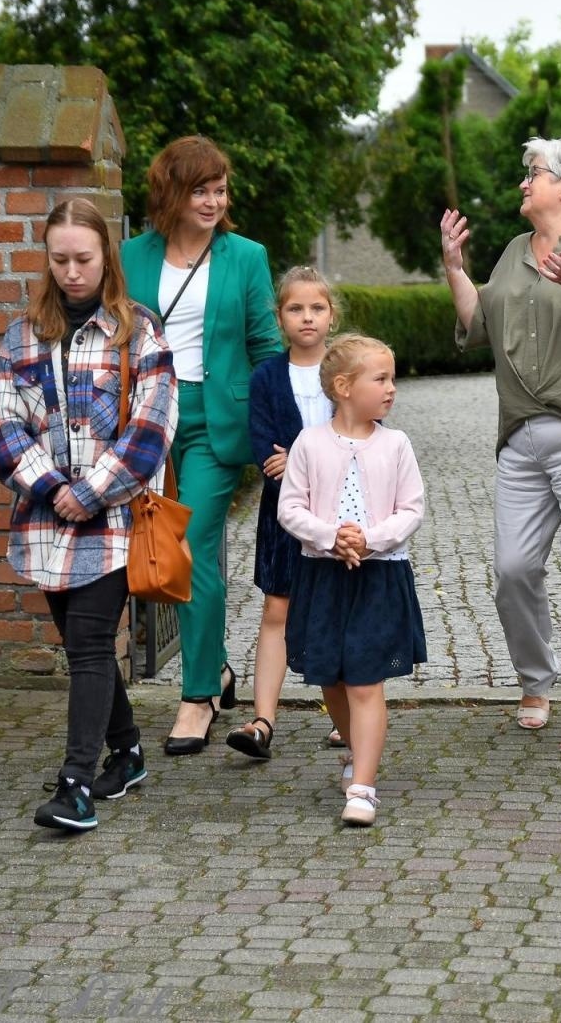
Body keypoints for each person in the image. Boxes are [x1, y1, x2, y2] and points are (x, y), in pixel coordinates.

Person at [440, 136, 561, 756]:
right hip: (518, 438)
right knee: (512, 571)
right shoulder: (512, 251)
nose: (524, 182)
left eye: (535, 173)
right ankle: (536, 679)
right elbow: (478, 326)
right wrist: (455, 268)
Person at [0, 198, 178, 831]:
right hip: (44, 522)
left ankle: (76, 787)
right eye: (60, 259)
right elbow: (3, 421)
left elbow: (152, 428)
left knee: (91, 645)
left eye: (84, 259)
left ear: (106, 257)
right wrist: (49, 487)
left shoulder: (138, 331)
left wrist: (90, 492)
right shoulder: (22, 335)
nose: (71, 272)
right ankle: (127, 754)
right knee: (79, 644)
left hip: (113, 520)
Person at [121, 135, 284, 755]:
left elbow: (265, 344)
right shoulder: (131, 255)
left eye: (220, 190)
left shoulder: (245, 256)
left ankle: (197, 697)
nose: (214, 201)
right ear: (171, 193)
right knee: (162, 546)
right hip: (146, 420)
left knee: (187, 546)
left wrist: (280, 425)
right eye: (201, 191)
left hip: (216, 423)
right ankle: (215, 666)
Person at [278, 334, 427, 827]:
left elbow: (412, 509)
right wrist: (331, 537)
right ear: (344, 387)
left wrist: (370, 540)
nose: (391, 388)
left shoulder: (397, 444)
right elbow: (290, 508)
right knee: (332, 678)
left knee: (365, 681)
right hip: (321, 576)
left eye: (392, 379)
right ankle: (354, 749)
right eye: (380, 379)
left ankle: (363, 786)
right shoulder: (308, 443)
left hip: (378, 576)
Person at [226, 267, 338, 761]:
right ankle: (262, 720)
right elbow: (266, 451)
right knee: (277, 610)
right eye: (296, 308)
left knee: (336, 610)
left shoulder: (346, 368)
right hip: (284, 516)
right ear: (279, 318)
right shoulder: (267, 377)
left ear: (331, 316)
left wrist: (302, 462)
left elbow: (361, 432)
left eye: (317, 308)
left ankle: (346, 717)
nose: (306, 317)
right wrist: (296, 468)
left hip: (341, 512)